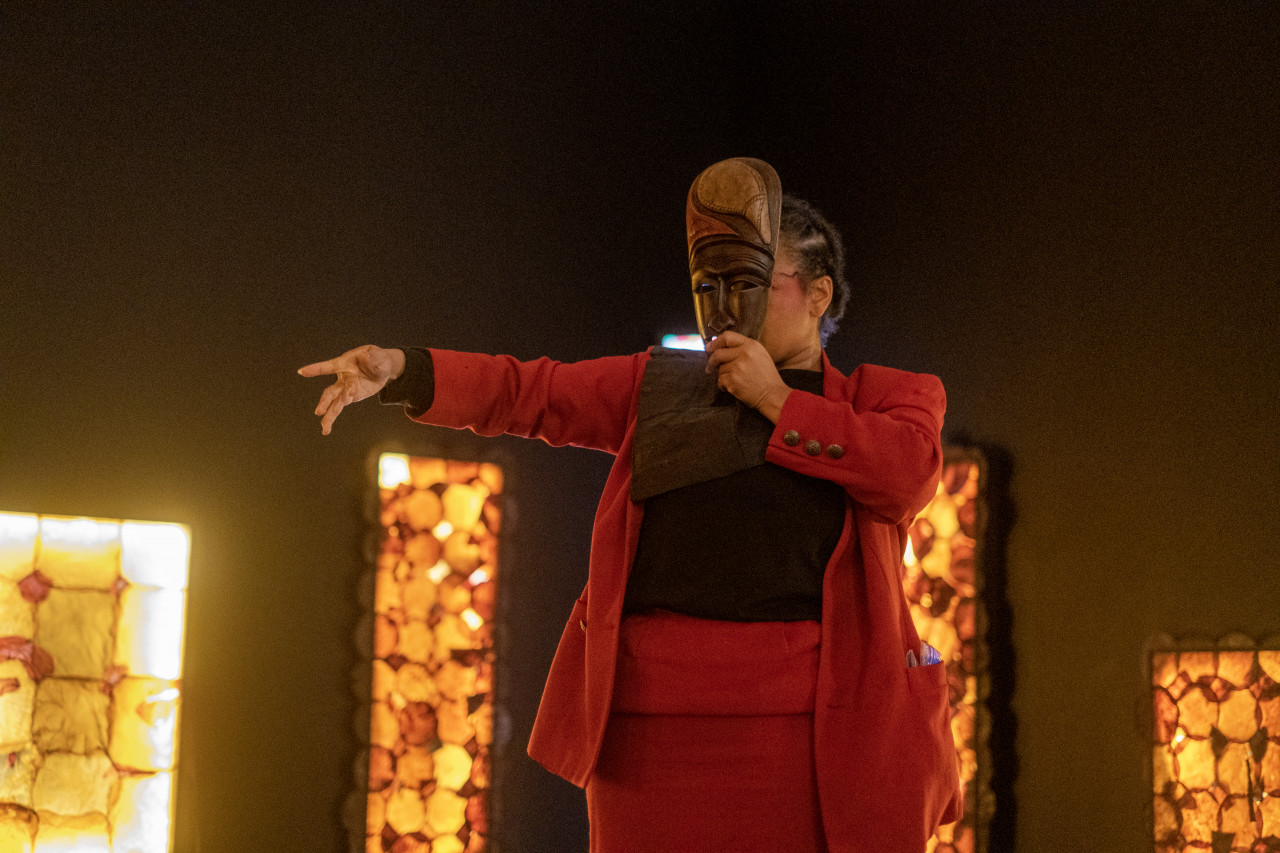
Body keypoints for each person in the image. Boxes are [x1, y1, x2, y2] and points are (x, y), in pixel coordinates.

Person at [300, 158, 961, 852]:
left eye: (752, 282)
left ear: (819, 294)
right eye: (710, 286)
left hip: (808, 737)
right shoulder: (662, 387)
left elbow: (907, 473)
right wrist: (406, 369)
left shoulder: (885, 397)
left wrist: (777, 400)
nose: (727, 306)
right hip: (650, 731)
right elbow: (534, 392)